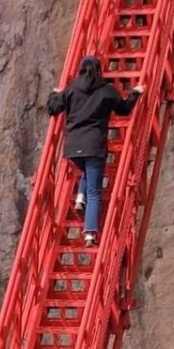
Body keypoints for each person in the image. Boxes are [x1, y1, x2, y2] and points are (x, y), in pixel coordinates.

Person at [47, 58, 143, 246]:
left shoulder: (72, 88)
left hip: (73, 148)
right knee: (94, 191)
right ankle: (90, 233)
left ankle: (80, 197)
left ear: (81, 70)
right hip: (94, 146)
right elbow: (123, 109)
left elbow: (53, 108)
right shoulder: (106, 90)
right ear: (99, 70)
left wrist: (54, 94)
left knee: (86, 172)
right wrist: (135, 93)